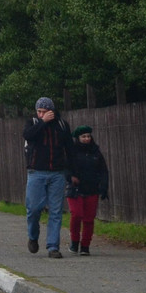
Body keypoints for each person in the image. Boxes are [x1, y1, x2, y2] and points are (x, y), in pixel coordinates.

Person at [23, 96, 74, 258]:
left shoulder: (61, 125)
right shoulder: (33, 123)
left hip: (57, 173)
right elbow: (28, 136)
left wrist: (72, 172)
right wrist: (42, 122)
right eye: (39, 111)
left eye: (44, 112)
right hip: (36, 172)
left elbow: (70, 149)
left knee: (56, 211)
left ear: (51, 111)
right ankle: (33, 237)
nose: (41, 114)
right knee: (33, 209)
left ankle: (53, 247)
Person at [67, 125, 109, 256]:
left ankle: (85, 245)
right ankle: (74, 241)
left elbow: (103, 170)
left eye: (88, 136)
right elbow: (64, 167)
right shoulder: (72, 152)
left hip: (92, 188)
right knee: (77, 214)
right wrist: (70, 177)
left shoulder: (96, 152)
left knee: (89, 219)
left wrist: (103, 186)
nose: (86, 139)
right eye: (83, 136)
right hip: (76, 189)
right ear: (78, 138)